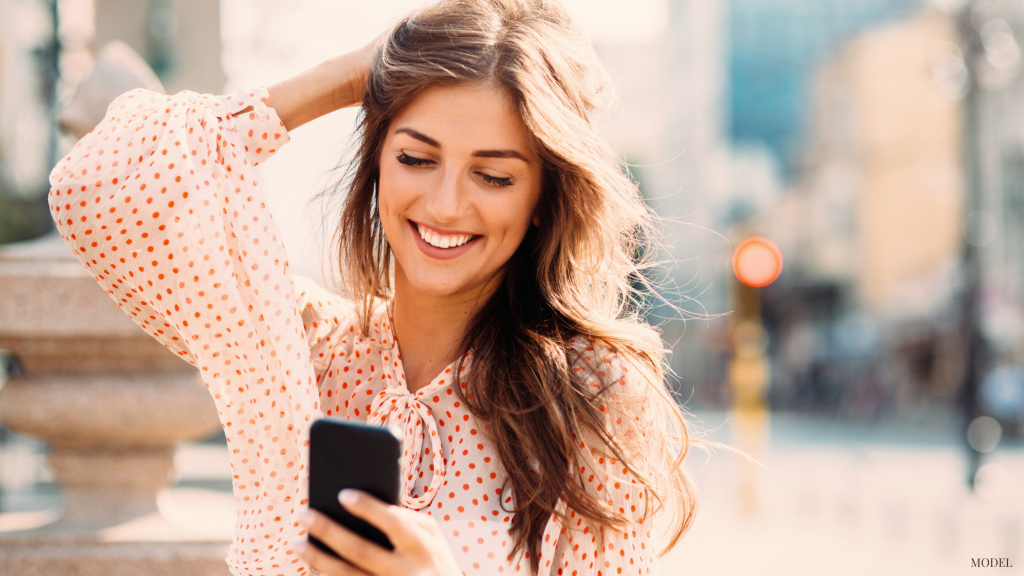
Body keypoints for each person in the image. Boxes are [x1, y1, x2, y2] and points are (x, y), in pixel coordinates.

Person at [48, 0, 705, 574]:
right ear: (378, 161)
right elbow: (95, 189)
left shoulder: (594, 396)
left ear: (541, 197)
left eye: (494, 176)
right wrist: (351, 76)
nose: (446, 204)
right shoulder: (303, 353)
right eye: (416, 158)